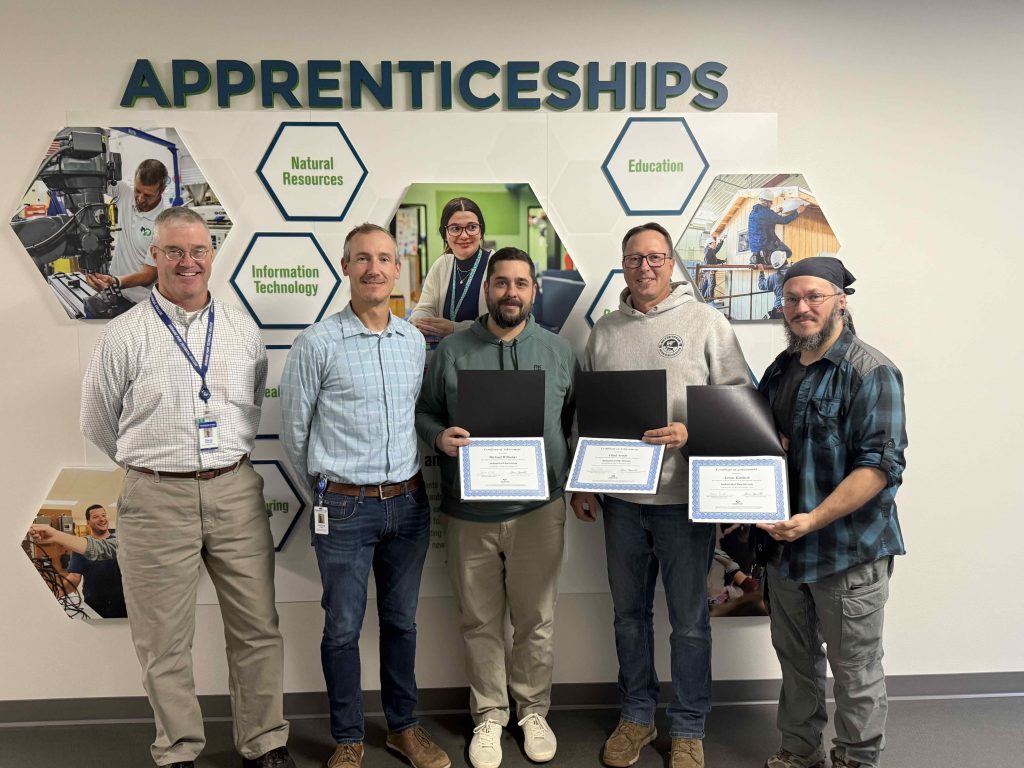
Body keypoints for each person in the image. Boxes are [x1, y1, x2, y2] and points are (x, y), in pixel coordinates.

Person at [80, 206, 293, 768]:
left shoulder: (242, 330)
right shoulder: (124, 335)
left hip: (234, 491)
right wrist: (152, 470)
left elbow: (249, 400)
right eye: (174, 251)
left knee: (257, 628)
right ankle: (177, 749)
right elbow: (98, 422)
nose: (187, 262)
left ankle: (264, 742)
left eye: (198, 250)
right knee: (162, 640)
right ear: (154, 255)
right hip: (155, 498)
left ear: (212, 255)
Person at [569, 223, 749, 768]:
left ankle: (689, 727)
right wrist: (581, 479)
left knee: (691, 621)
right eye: (633, 258)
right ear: (621, 264)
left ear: (671, 262)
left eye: (654, 257)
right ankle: (636, 717)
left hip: (682, 502)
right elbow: (586, 414)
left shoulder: (706, 323)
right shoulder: (604, 331)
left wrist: (692, 430)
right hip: (622, 504)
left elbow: (741, 400)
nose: (644, 267)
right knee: (629, 616)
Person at [280, 223, 448, 768]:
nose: (374, 268)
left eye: (383, 258)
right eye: (362, 259)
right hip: (344, 508)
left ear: (398, 269)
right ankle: (349, 737)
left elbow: (416, 416)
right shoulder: (316, 344)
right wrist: (331, 493)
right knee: (342, 628)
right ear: (346, 267)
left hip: (408, 505)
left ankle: (403, 727)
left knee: (402, 623)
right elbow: (295, 436)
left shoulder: (413, 343)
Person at [415, 247, 576, 768]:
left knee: (537, 620)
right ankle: (489, 714)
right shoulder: (454, 350)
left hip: (539, 510)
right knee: (479, 621)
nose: (511, 292)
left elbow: (574, 421)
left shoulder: (558, 352)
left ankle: (532, 711)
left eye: (521, 284)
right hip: (470, 512)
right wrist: (439, 438)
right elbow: (426, 411)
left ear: (535, 291)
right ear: (487, 288)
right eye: (501, 282)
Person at [755, 257, 907, 768]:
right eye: (792, 298)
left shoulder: (871, 371)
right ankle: (800, 753)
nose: (801, 307)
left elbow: (880, 467)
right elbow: (758, 443)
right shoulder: (780, 370)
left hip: (848, 553)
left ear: (841, 300)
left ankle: (856, 760)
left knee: (855, 670)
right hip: (785, 551)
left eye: (814, 296)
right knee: (796, 665)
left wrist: (813, 520)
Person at [85, 159, 168, 304]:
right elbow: (94, 180)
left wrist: (115, 281)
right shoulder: (125, 193)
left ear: (162, 190)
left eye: (148, 195)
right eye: (137, 190)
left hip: (140, 300)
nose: (140, 199)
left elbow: (149, 274)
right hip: (115, 290)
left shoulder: (165, 222)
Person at [410, 197, 492, 339]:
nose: (464, 235)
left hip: (484, 354)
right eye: (455, 228)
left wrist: (455, 328)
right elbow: (425, 307)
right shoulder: (441, 265)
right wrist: (420, 321)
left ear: (481, 230)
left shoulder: (496, 265)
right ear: (445, 234)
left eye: (472, 227)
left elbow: (500, 323)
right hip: (447, 354)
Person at [748, 190, 805, 266]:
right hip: (766, 244)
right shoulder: (767, 213)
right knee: (788, 252)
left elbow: (765, 220)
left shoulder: (754, 211)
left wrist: (775, 213)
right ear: (766, 202)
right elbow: (784, 220)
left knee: (782, 253)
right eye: (771, 202)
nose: (771, 204)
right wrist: (798, 212)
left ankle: (762, 256)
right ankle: (770, 256)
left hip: (755, 247)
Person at [758, 251, 791, 319]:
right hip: (794, 309)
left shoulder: (773, 277)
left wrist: (761, 271)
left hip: (780, 311)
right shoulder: (795, 272)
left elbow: (761, 285)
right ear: (785, 260)